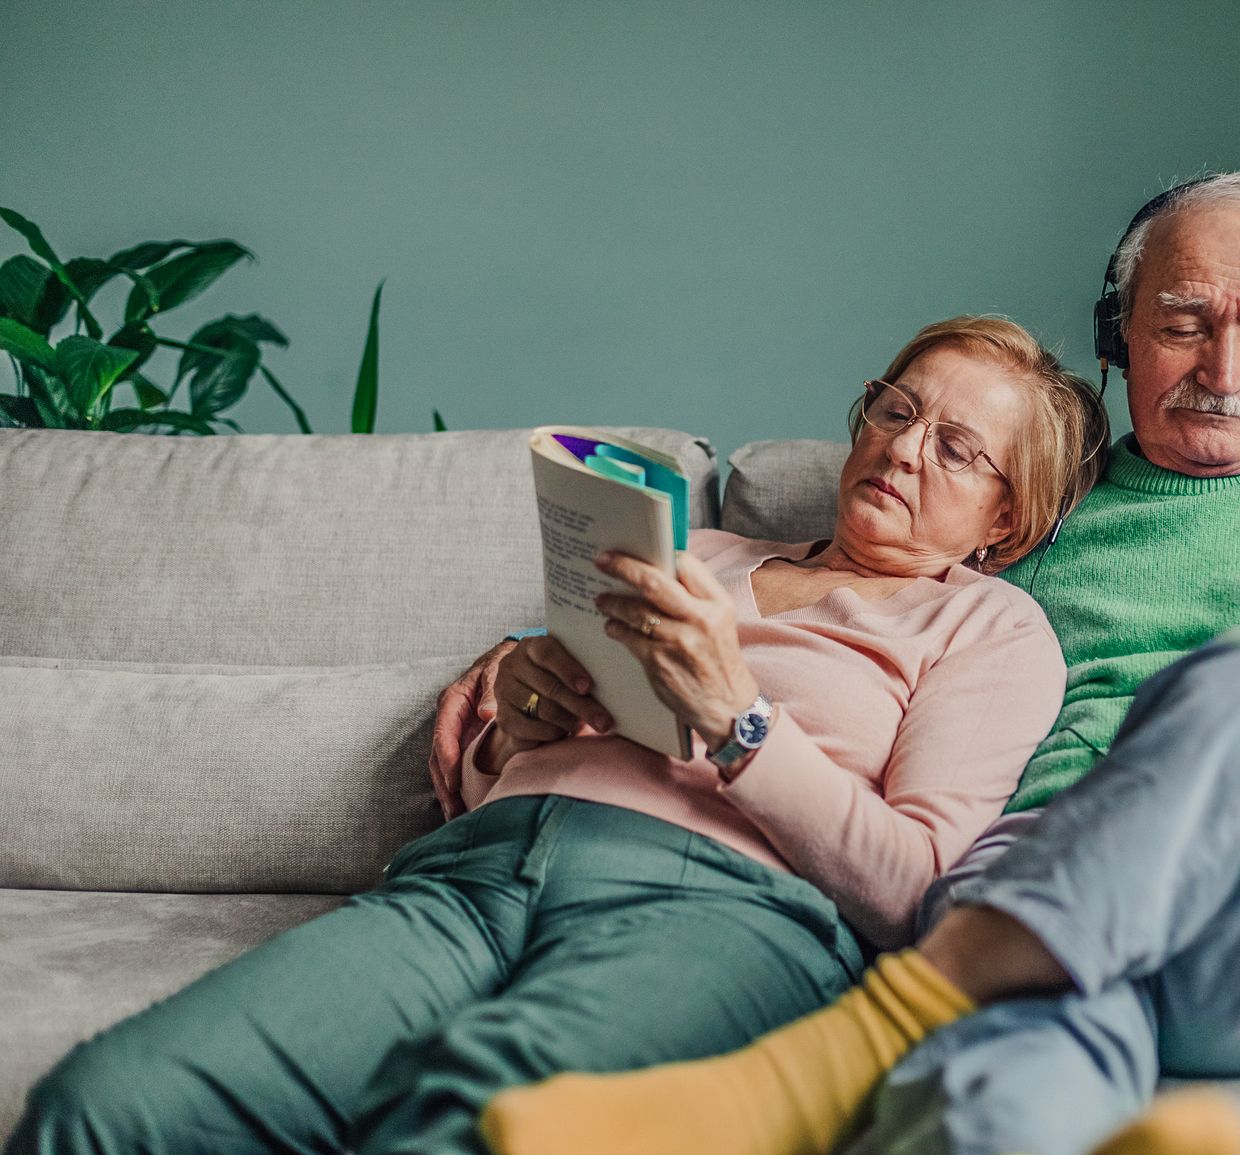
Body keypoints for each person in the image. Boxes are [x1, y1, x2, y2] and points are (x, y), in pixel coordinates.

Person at [466, 174, 1240, 1155]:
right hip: (1029, 885)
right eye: (1181, 325)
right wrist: (556, 674)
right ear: (1117, 337)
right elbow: (816, 639)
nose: (1222, 372)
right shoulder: (1015, 507)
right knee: (980, 1111)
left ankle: (839, 1055)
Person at [5, 316, 1111, 1155]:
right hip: (472, 877)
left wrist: (739, 722)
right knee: (107, 1104)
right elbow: (489, 760)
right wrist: (518, 714)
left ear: (1006, 519)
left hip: (720, 912)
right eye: (896, 410)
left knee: (473, 1124)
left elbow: (915, 888)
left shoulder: (986, 627)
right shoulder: (696, 549)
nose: (905, 449)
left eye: (958, 449)